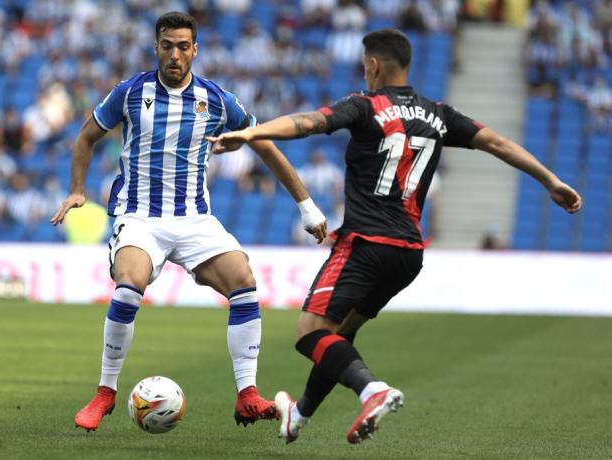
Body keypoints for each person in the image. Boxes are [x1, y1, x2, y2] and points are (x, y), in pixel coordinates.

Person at [208, 28, 583, 445]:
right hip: (409, 254)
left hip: (366, 243)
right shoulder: (438, 113)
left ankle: (373, 391)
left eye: (364, 65)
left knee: (311, 332)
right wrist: (550, 180)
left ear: (373, 64)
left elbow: (310, 123)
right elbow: (496, 142)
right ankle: (299, 414)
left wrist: (252, 133)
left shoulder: (364, 105)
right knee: (341, 334)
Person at [50, 12, 327, 432]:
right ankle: (105, 392)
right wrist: (76, 188)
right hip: (139, 216)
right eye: (167, 45)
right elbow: (86, 136)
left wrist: (306, 205)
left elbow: (263, 145)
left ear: (195, 50)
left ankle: (248, 395)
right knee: (130, 284)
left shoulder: (217, 100)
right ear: (156, 48)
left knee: (243, 279)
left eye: (183, 46)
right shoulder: (130, 93)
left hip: (194, 218)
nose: (175, 54)